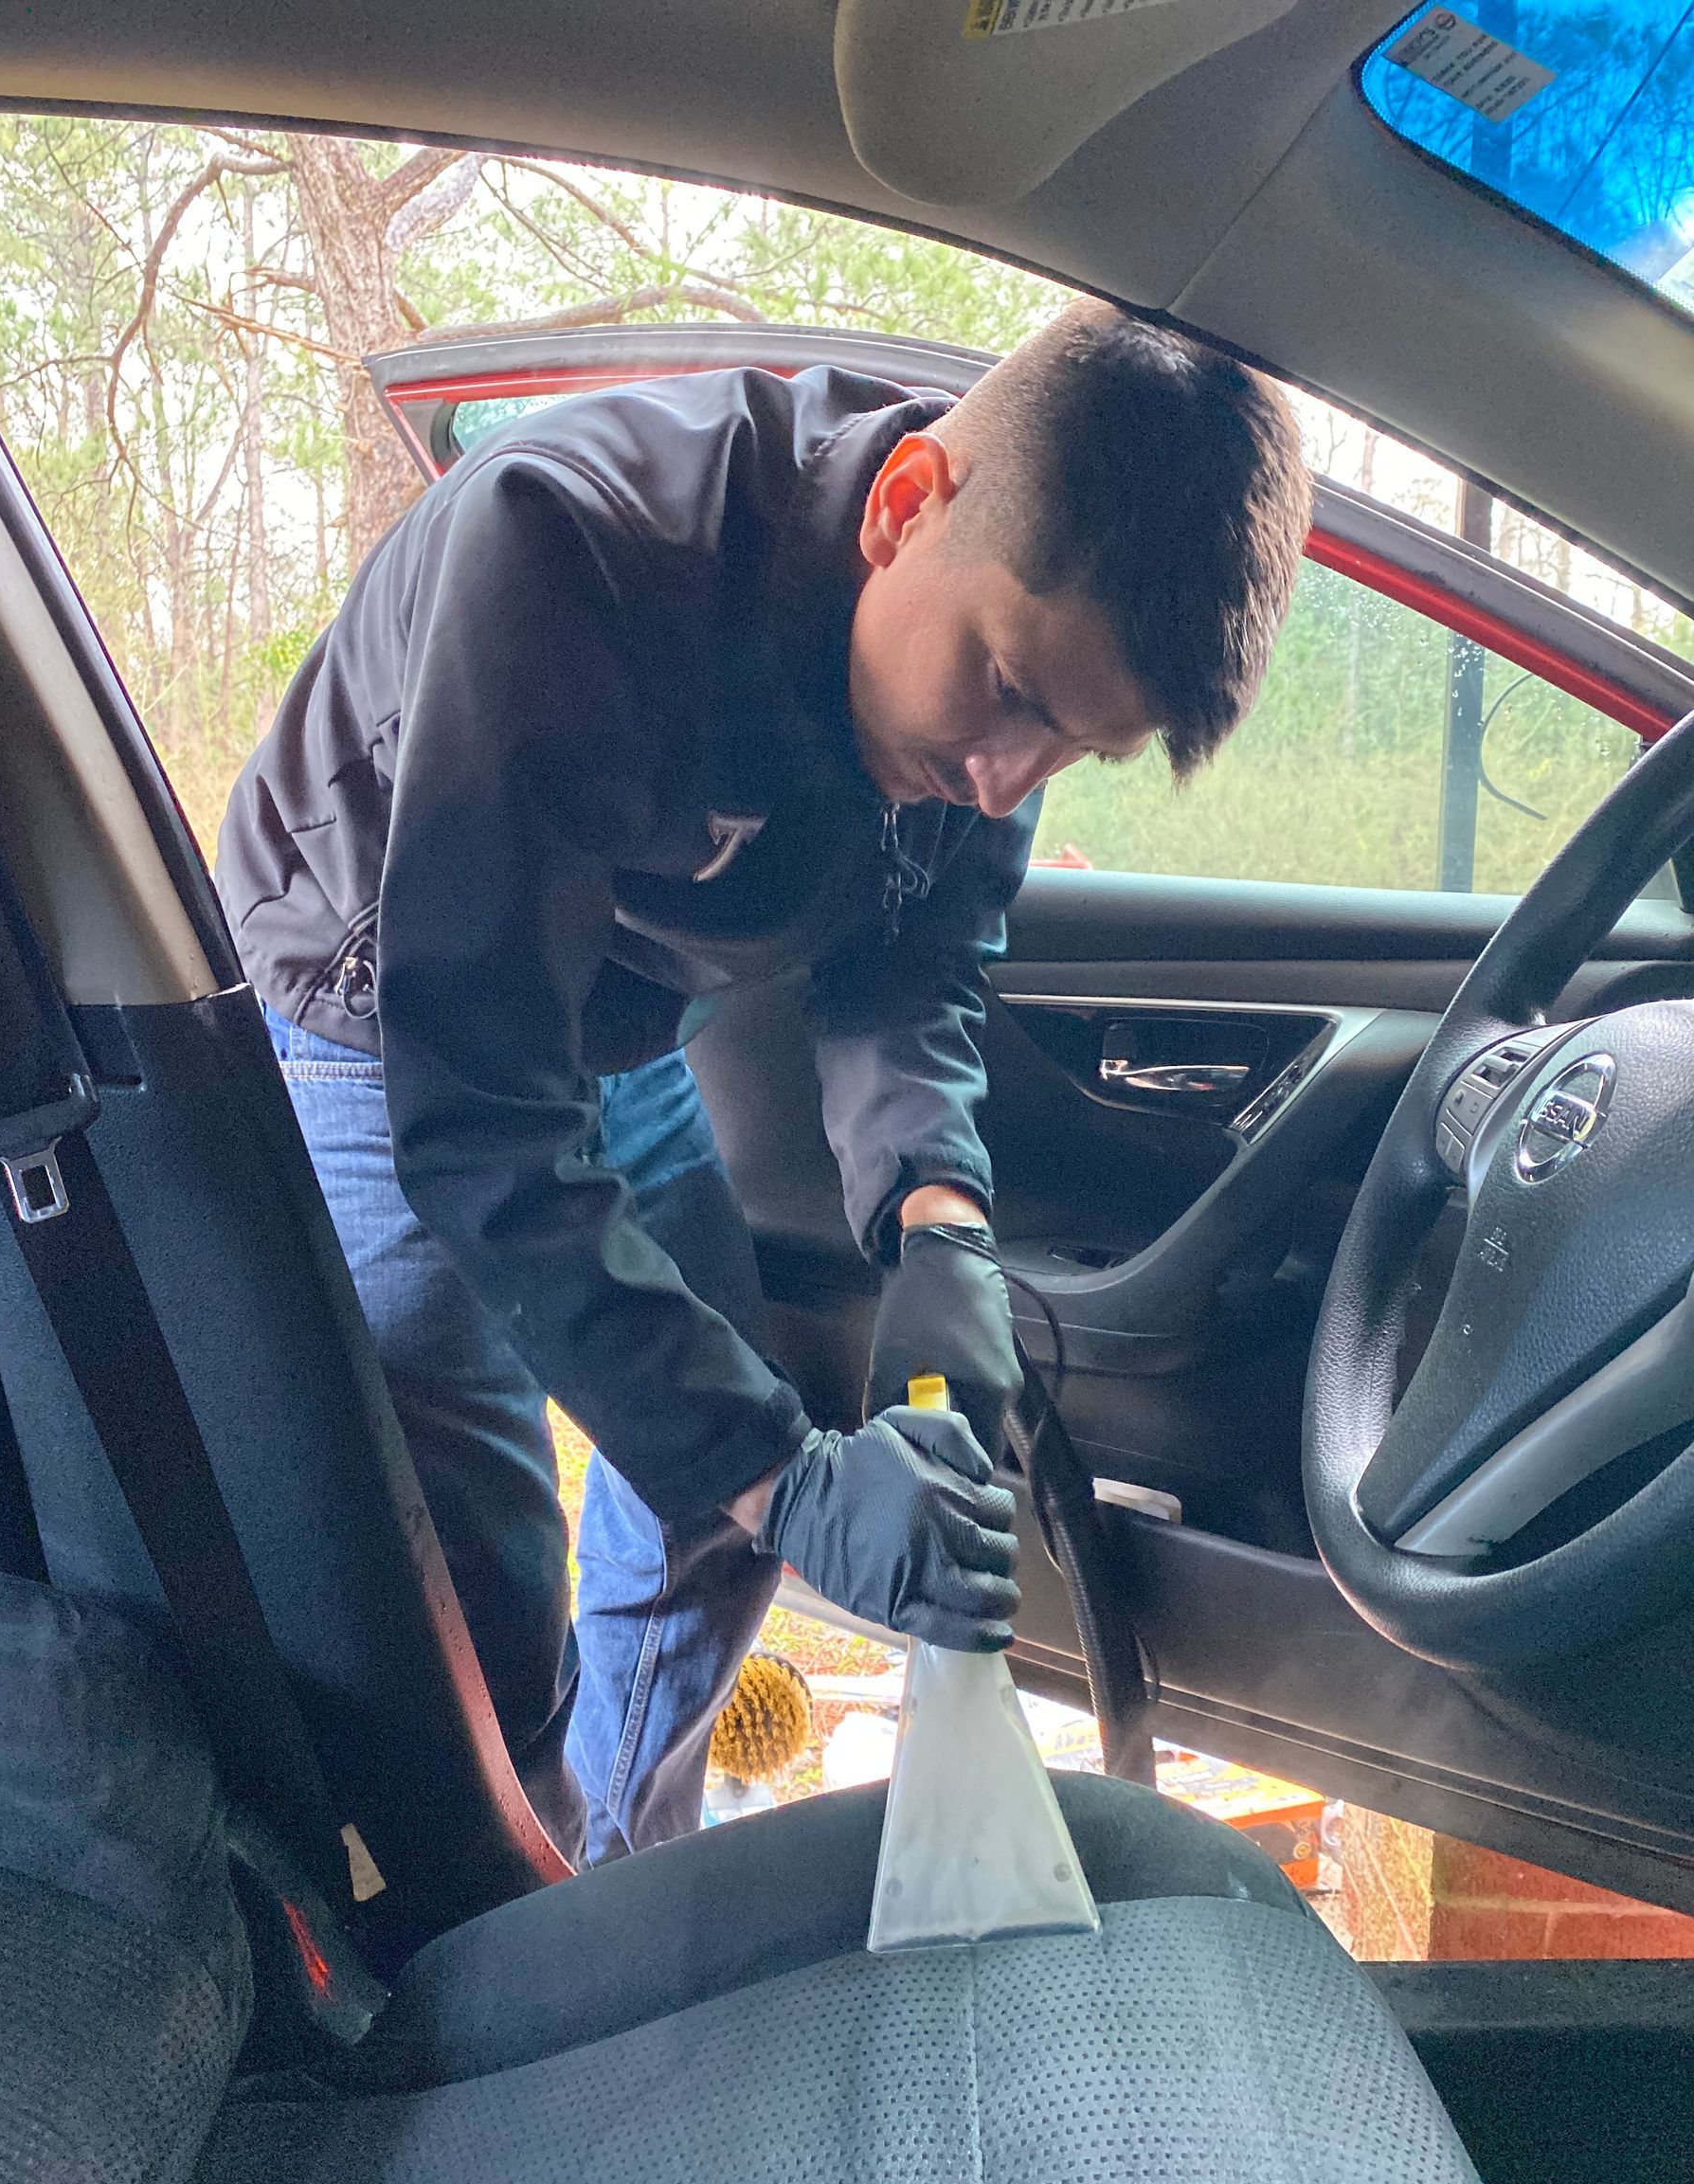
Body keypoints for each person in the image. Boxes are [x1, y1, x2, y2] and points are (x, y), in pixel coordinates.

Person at [215, 298, 1310, 1865]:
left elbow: (912, 955)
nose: (1011, 779)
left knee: (712, 1497)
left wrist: (938, 1219)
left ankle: (618, 1862)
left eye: (1073, 751)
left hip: (623, 1000)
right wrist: (782, 1485)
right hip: (382, 1001)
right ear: (901, 505)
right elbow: (482, 1122)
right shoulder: (573, 552)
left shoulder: (979, 668)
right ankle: (495, 1898)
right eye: (1010, 695)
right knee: (484, 1576)